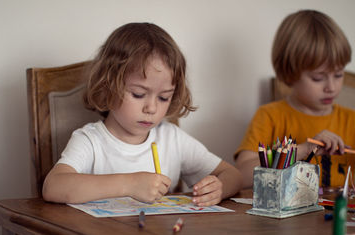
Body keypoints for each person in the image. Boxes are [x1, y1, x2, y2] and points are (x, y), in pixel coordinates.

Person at [43, 22, 243, 206]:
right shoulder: (90, 141)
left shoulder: (172, 138)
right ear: (107, 87)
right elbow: (53, 187)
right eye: (139, 94)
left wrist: (218, 189)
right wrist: (129, 184)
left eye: (164, 97)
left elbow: (232, 175)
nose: (152, 108)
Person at [235, 10, 353, 189]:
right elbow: (240, 177)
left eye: (338, 75)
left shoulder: (351, 120)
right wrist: (301, 150)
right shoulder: (269, 116)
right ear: (289, 74)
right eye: (318, 78)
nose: (332, 87)